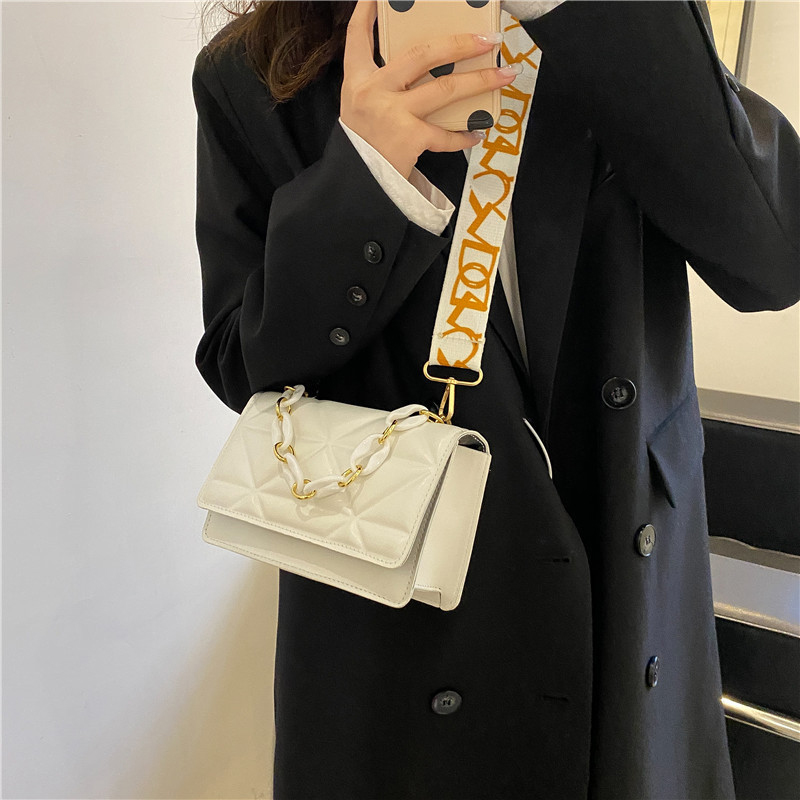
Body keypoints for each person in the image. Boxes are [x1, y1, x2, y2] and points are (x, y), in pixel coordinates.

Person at [191, 1, 800, 797]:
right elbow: (242, 363)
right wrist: (365, 175)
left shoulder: (615, 19)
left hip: (629, 587)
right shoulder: (254, 71)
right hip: (406, 622)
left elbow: (773, 259)